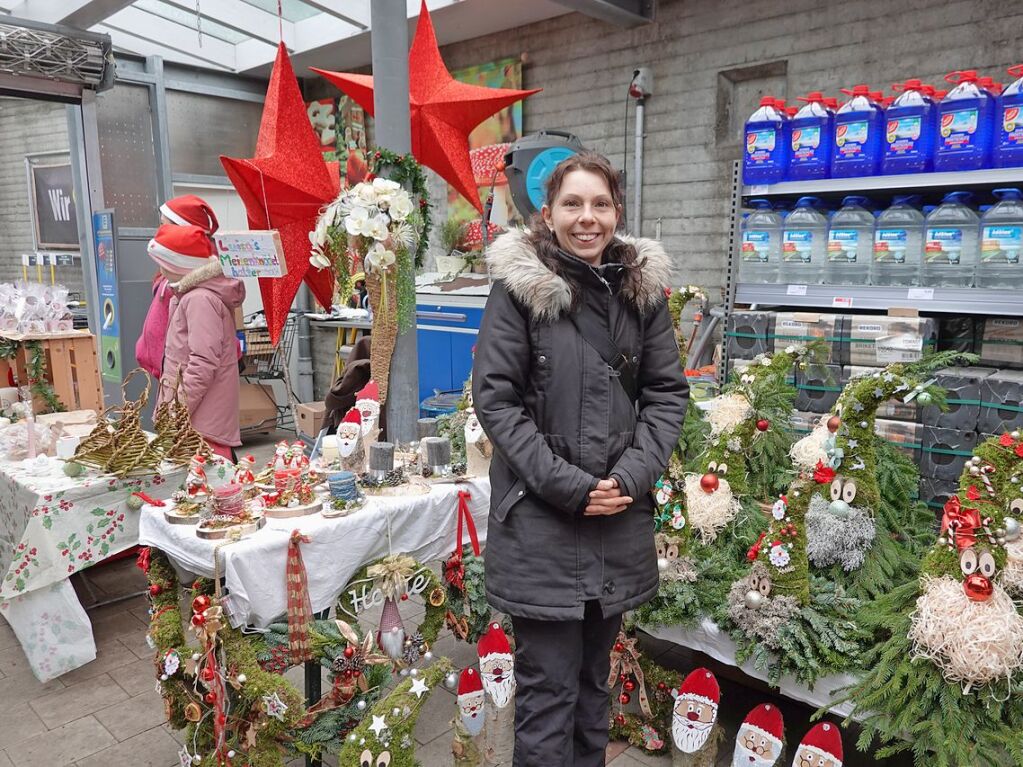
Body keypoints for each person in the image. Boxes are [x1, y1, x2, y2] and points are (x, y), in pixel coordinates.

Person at [472, 151, 688, 766]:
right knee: (548, 697)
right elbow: (497, 400)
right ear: (549, 211)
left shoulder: (641, 295)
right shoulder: (518, 291)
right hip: (541, 524)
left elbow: (667, 394)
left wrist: (631, 474)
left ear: (617, 213)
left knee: (595, 692)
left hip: (618, 518)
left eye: (600, 204)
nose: (587, 218)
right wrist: (570, 485)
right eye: (573, 204)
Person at [147, 223, 245, 462]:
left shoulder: (200, 299)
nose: (160, 269)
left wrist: (177, 410)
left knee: (206, 486)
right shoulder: (190, 295)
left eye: (163, 262)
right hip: (196, 418)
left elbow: (202, 363)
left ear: (178, 265)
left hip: (201, 423)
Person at [136, 195, 220, 379]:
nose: (159, 230)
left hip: (180, 378)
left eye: (164, 224)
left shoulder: (200, 293)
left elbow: (203, 360)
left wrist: (180, 400)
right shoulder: (178, 274)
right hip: (170, 371)